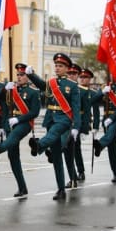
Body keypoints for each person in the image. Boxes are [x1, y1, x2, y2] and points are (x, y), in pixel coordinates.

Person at [26, 53, 81, 200]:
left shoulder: (73, 86)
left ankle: (39, 145)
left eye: (60, 66)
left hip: (64, 119)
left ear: (67, 68)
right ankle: (61, 189)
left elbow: (76, 107)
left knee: (54, 134)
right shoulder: (51, 83)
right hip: (51, 118)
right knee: (57, 158)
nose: (57, 68)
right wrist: (31, 75)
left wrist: (76, 126)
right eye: (56, 65)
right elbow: (42, 86)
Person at [0, 63, 40, 197]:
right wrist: (5, 90)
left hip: (24, 123)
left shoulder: (33, 92)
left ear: (28, 77)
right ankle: (22, 187)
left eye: (22, 75)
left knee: (14, 137)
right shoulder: (12, 89)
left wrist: (19, 119)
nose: (19, 77)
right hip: (10, 123)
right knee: (13, 157)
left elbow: (35, 112)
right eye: (18, 74)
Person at [92, 78, 116, 183]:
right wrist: (102, 92)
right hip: (106, 119)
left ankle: (100, 144)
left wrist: (112, 118)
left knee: (111, 130)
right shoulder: (105, 86)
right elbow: (93, 100)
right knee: (111, 148)